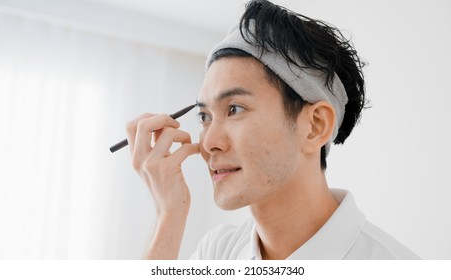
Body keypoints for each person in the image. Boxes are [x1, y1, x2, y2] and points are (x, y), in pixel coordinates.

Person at [125, 0, 419, 259]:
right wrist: (169, 214)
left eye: (235, 109)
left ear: (315, 126)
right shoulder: (218, 252)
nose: (209, 143)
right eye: (204, 116)